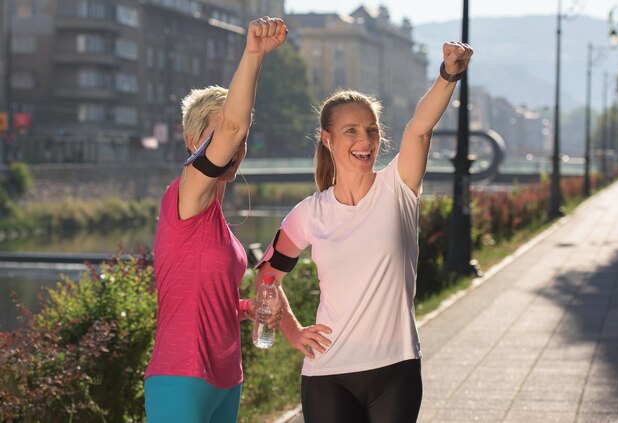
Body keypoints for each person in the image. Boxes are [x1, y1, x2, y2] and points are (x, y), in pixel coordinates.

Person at [253, 41, 473, 422]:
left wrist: (448, 74)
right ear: (328, 139)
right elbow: (268, 275)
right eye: (351, 130)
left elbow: (420, 128)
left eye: (371, 130)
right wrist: (290, 330)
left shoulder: (398, 188)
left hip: (396, 368)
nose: (365, 140)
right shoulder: (309, 214)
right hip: (327, 373)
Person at [143, 16, 287, 423]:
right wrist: (254, 55)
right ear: (193, 141)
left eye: (240, 140)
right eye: (220, 135)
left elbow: (210, 296)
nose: (234, 144)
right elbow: (234, 121)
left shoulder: (220, 227)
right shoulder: (184, 195)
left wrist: (249, 307)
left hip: (227, 379)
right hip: (180, 376)